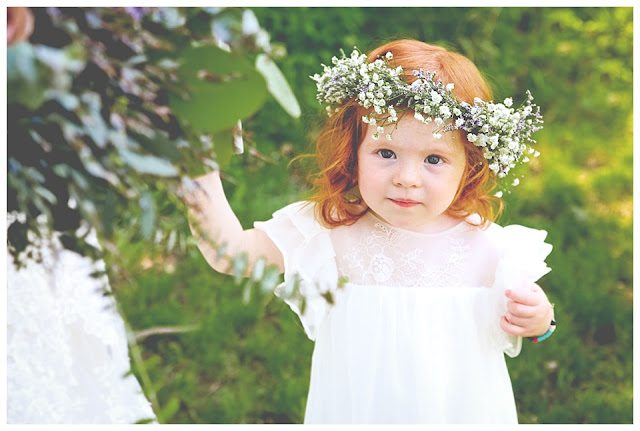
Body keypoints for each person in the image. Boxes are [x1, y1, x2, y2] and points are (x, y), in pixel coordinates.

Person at [183, 39, 555, 424]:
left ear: (469, 164)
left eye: (433, 159)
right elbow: (229, 252)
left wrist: (541, 321)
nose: (406, 179)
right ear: (353, 151)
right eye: (386, 153)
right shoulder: (330, 231)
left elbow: (532, 318)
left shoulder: (489, 246)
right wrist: (196, 164)